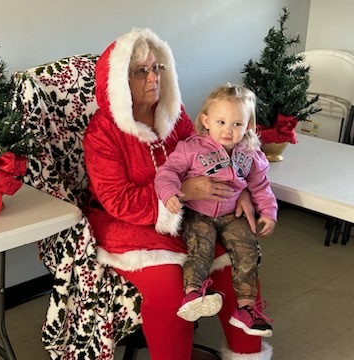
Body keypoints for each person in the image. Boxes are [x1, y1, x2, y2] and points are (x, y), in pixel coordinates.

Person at [83, 28, 273, 360]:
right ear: (117, 81)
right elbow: (116, 200)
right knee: (171, 289)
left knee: (237, 263)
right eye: (141, 70)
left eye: (157, 68)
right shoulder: (102, 132)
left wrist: (240, 191)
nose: (153, 77)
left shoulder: (174, 114)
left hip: (190, 215)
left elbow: (213, 157)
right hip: (126, 224)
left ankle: (248, 355)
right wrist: (183, 192)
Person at [154, 84, 276, 338]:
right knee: (201, 246)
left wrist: (268, 212)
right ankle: (193, 293)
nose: (228, 131)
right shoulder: (192, 148)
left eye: (236, 124)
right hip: (199, 213)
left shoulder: (251, 153)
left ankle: (245, 309)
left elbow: (261, 185)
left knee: (248, 251)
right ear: (206, 121)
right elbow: (167, 173)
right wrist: (170, 194)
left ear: (249, 127)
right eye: (221, 122)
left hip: (233, 215)